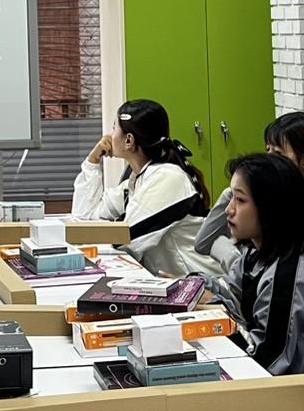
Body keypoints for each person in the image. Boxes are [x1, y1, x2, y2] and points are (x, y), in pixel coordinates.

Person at [207, 153, 304, 375]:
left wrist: (219, 322)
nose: (229, 209)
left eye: (240, 200)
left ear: (270, 207)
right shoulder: (257, 254)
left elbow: (267, 362)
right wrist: (191, 289)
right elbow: (231, 289)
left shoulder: (290, 274)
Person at [71, 99, 220, 278]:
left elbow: (126, 240)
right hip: (173, 283)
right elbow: (84, 216)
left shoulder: (168, 179)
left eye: (114, 129)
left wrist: (92, 237)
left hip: (203, 286)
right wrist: (92, 163)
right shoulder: (137, 181)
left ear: (129, 140)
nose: (109, 136)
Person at [195, 111, 304, 272]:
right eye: (268, 150)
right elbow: (203, 243)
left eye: (279, 154)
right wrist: (236, 191)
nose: (268, 160)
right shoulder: (278, 201)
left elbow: (278, 277)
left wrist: (230, 257)